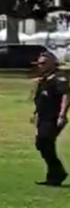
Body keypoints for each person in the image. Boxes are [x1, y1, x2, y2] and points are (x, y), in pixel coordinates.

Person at [32, 52, 68, 186]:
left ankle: (57, 174)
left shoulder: (59, 79)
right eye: (39, 64)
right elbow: (40, 98)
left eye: (43, 63)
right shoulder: (44, 79)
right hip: (43, 117)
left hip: (54, 118)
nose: (40, 66)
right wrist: (35, 113)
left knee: (45, 142)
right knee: (42, 144)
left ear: (52, 63)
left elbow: (65, 96)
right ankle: (55, 174)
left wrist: (62, 115)